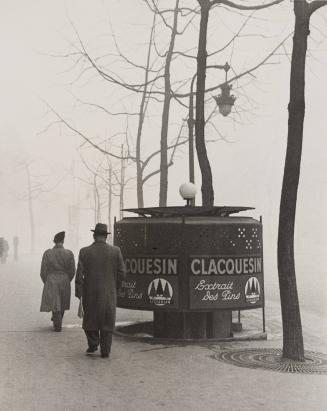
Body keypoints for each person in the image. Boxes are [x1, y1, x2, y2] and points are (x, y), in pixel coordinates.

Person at [75, 223, 125, 358]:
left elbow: (79, 275)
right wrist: (115, 287)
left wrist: (79, 293)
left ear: (94, 235)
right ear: (106, 236)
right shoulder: (116, 251)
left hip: (90, 293)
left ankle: (93, 343)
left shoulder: (84, 251)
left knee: (90, 320)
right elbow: (122, 273)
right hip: (109, 294)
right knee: (107, 321)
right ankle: (105, 350)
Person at [40, 231, 75, 331]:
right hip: (64, 279)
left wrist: (46, 281)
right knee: (63, 301)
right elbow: (72, 270)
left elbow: (43, 271)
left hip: (51, 279)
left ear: (54, 241)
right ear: (63, 241)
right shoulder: (69, 253)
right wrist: (68, 279)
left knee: (55, 302)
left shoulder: (48, 253)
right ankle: (58, 320)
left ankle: (56, 320)